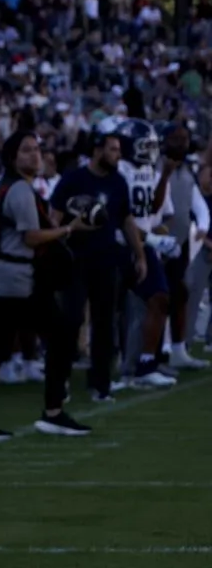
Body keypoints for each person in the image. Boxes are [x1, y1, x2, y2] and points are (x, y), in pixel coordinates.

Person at [0, 131, 93, 437]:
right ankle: (51, 411)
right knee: (53, 338)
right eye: (27, 150)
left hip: (12, 277)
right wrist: (69, 230)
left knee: (5, 347)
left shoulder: (17, 187)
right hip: (14, 278)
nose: (35, 155)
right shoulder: (18, 189)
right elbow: (31, 237)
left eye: (37, 149)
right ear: (12, 157)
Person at [48, 124, 144, 403]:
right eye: (113, 149)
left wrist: (139, 255)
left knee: (104, 325)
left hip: (106, 260)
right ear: (98, 150)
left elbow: (126, 220)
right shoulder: (74, 179)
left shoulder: (118, 182)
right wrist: (59, 239)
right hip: (75, 260)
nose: (118, 155)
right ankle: (60, 379)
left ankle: (100, 384)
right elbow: (54, 215)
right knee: (71, 320)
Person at [118, 119, 179, 389]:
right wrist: (153, 237)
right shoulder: (119, 170)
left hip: (145, 244)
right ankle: (112, 372)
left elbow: (154, 210)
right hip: (119, 245)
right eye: (146, 145)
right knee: (113, 311)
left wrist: (164, 176)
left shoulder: (150, 170)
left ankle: (146, 364)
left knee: (160, 298)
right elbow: (121, 217)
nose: (151, 151)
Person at [155, 124, 208, 372]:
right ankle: (151, 355)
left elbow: (196, 201)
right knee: (158, 298)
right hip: (157, 241)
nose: (183, 143)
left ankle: (177, 349)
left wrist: (204, 224)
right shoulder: (155, 166)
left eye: (185, 138)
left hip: (181, 242)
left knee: (180, 294)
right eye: (177, 138)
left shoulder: (186, 169)